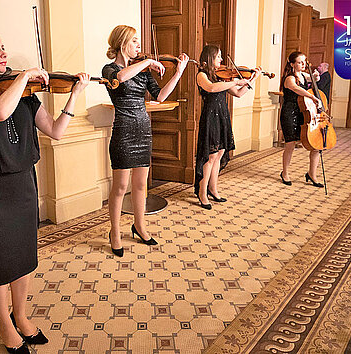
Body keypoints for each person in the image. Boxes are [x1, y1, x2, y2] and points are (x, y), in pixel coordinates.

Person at [0, 25, 89, 353]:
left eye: (3, 46)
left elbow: (55, 131)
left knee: (22, 257)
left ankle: (20, 316)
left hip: (23, 183)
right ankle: (4, 324)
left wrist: (73, 97)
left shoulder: (22, 94)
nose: (4, 53)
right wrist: (25, 76)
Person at [102, 25, 189, 256]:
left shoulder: (142, 71)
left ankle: (139, 226)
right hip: (123, 131)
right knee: (120, 187)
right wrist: (147, 62)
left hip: (143, 131)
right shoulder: (109, 69)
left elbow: (160, 96)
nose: (139, 47)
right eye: (135, 42)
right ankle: (115, 231)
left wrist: (178, 72)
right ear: (123, 43)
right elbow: (120, 78)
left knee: (141, 185)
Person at [194, 44, 261, 209]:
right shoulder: (202, 75)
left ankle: (213, 189)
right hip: (210, 117)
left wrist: (251, 80)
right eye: (218, 57)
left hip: (223, 115)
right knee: (210, 156)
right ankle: (202, 193)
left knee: (220, 153)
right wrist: (236, 80)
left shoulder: (222, 77)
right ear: (210, 58)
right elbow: (211, 88)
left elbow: (238, 93)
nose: (222, 60)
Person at [279, 51, 324, 188]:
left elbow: (314, 79)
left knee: (316, 144)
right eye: (300, 62)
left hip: (304, 113)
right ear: (292, 64)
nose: (304, 64)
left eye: (304, 61)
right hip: (289, 113)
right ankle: (285, 173)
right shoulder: (289, 78)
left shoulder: (304, 75)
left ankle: (312, 174)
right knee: (290, 144)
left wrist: (316, 76)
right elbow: (296, 89)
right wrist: (313, 97)